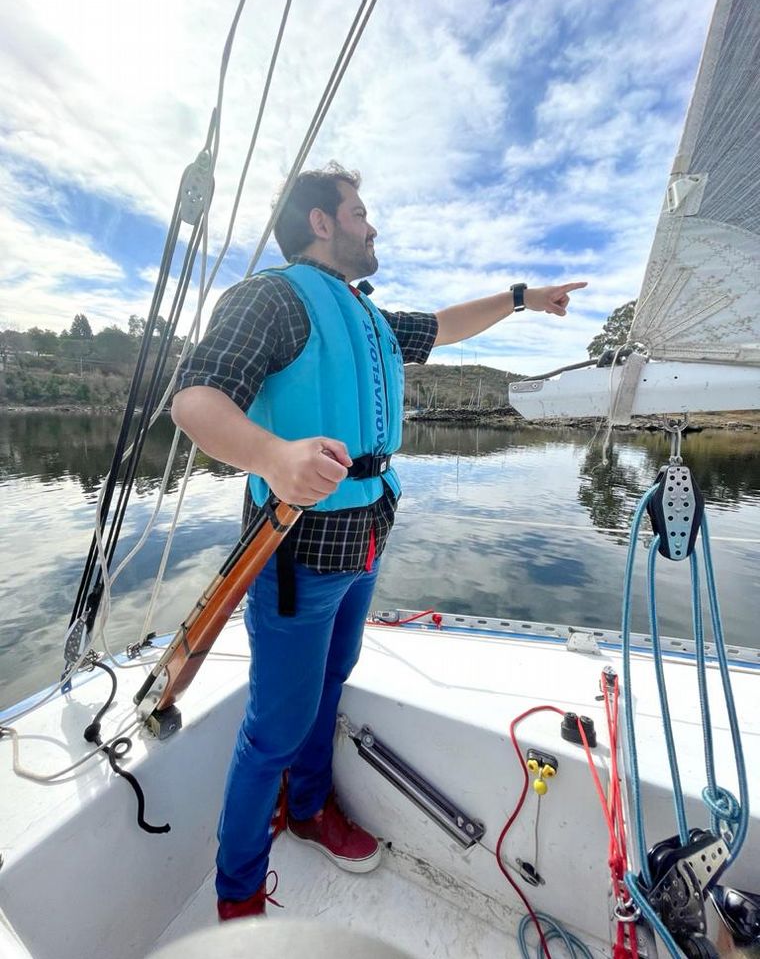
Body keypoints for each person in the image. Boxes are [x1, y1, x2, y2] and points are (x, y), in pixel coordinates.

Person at [171, 162, 586, 920]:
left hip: (362, 544)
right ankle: (237, 899)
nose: (373, 224)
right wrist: (272, 455)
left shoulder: (368, 317)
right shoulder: (271, 298)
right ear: (322, 222)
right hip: (295, 555)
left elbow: (448, 324)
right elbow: (195, 397)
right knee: (273, 726)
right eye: (360, 211)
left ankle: (308, 809)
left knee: (331, 685)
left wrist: (524, 298)